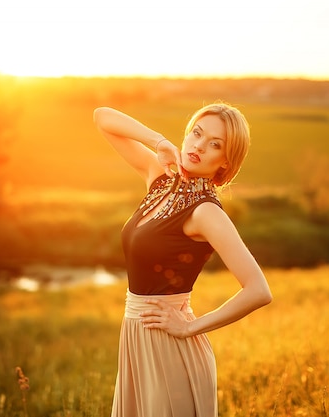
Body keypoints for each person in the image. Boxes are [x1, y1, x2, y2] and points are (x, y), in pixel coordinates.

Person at [93, 102, 272, 417]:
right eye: (197, 133)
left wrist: (191, 327)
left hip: (171, 348)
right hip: (135, 340)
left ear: (225, 162)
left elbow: (258, 289)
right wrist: (159, 142)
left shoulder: (206, 212)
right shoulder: (160, 178)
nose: (199, 146)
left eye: (214, 144)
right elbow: (102, 118)